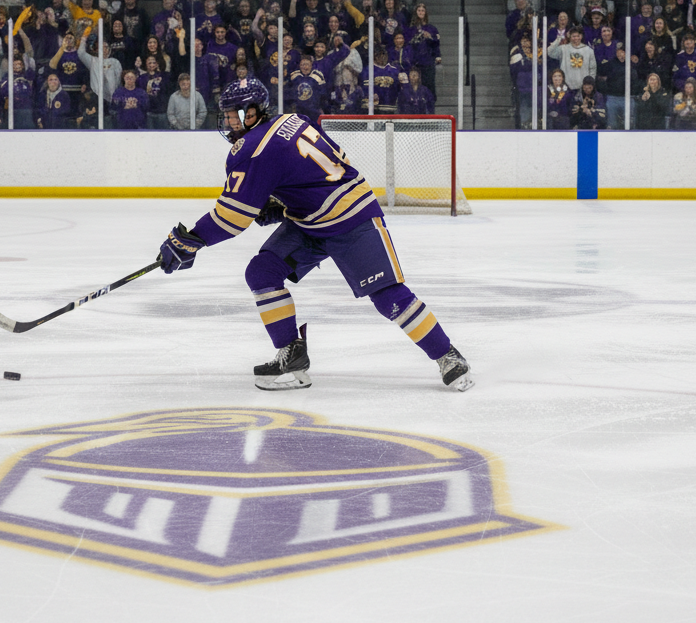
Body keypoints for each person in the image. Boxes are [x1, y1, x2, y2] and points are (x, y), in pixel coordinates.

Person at [156, 78, 473, 392]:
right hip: (310, 219)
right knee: (262, 272)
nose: (226, 121)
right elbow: (330, 165)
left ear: (249, 113)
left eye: (230, 114)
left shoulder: (251, 149)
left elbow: (232, 217)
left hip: (351, 219)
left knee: (386, 294)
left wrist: (190, 240)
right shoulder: (291, 120)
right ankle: (292, 355)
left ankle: (448, 355)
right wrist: (281, 204)